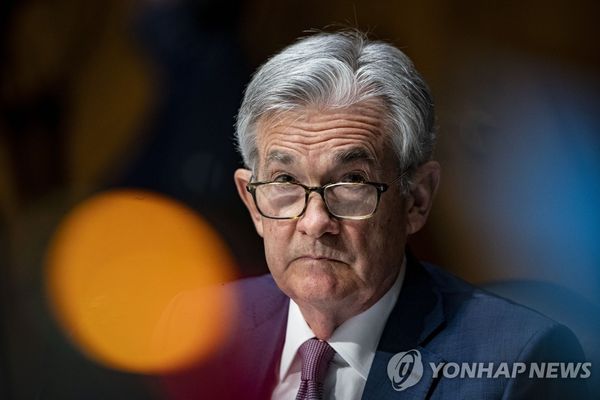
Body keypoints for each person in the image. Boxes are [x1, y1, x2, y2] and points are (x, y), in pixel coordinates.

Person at [163, 30, 591, 399]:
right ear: (251, 201)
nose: (315, 222)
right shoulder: (196, 331)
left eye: (351, 182)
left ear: (416, 200)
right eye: (285, 181)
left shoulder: (520, 362)